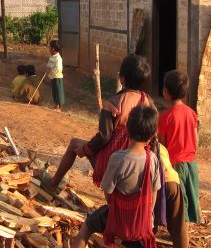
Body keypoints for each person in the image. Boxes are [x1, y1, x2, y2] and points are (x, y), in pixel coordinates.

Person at [48, 105, 161, 248]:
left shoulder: (118, 158)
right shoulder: (152, 159)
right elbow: (154, 191)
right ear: (153, 134)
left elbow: (108, 189)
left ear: (126, 130)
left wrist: (115, 208)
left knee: (88, 225)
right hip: (142, 222)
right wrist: (148, 216)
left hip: (117, 216)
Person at [42, 53, 154, 194]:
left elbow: (104, 136)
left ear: (122, 78)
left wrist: (87, 149)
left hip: (113, 162)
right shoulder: (149, 103)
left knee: (74, 144)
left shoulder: (113, 103)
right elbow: (154, 136)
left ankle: (53, 184)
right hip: (139, 164)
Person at [157, 70, 198, 248]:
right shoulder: (191, 113)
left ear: (166, 92)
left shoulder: (164, 117)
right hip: (191, 166)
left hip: (174, 167)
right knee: (187, 206)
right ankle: (185, 241)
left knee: (177, 210)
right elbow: (196, 140)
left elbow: (162, 147)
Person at [46, 40, 64, 110]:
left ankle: (60, 107)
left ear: (53, 49)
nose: (49, 48)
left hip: (57, 77)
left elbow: (59, 68)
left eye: (49, 47)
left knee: (58, 91)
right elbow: (49, 64)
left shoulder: (58, 58)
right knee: (54, 91)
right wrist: (48, 69)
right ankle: (56, 105)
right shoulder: (52, 56)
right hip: (53, 77)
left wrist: (51, 71)